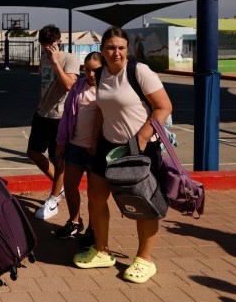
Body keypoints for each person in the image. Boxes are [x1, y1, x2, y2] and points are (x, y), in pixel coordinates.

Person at [73, 27, 172, 285]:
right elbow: (103, 110)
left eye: (120, 48)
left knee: (143, 203)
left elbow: (164, 106)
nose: (116, 52)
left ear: (127, 49)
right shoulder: (100, 73)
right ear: (103, 50)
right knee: (95, 196)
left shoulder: (139, 72)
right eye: (110, 47)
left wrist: (140, 138)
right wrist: (96, 141)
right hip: (108, 145)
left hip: (141, 147)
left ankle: (144, 259)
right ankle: (102, 250)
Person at [28, 25, 80, 220]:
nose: (48, 48)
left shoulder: (69, 58)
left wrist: (56, 61)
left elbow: (68, 85)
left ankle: (53, 199)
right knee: (33, 151)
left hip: (60, 117)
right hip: (42, 113)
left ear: (58, 41)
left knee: (59, 161)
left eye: (51, 44)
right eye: (44, 44)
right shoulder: (43, 57)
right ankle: (60, 187)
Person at [54, 51, 103, 247]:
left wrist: (96, 143)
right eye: (88, 69)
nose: (91, 74)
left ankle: (93, 228)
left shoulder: (107, 89)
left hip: (96, 149)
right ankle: (75, 221)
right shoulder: (77, 87)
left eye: (96, 70)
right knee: (70, 185)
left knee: (94, 192)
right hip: (75, 146)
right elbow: (66, 115)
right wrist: (61, 142)